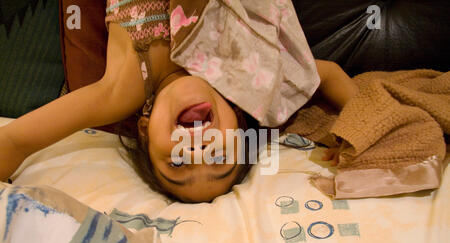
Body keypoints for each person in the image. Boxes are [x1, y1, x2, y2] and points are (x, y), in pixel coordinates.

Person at [0, 0, 358, 203]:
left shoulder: (121, 91)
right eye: (219, 155)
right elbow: (326, 75)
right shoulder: (253, 80)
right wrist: (357, 134)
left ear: (144, 131)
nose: (198, 148)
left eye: (177, 162)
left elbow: (14, 141)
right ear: (236, 120)